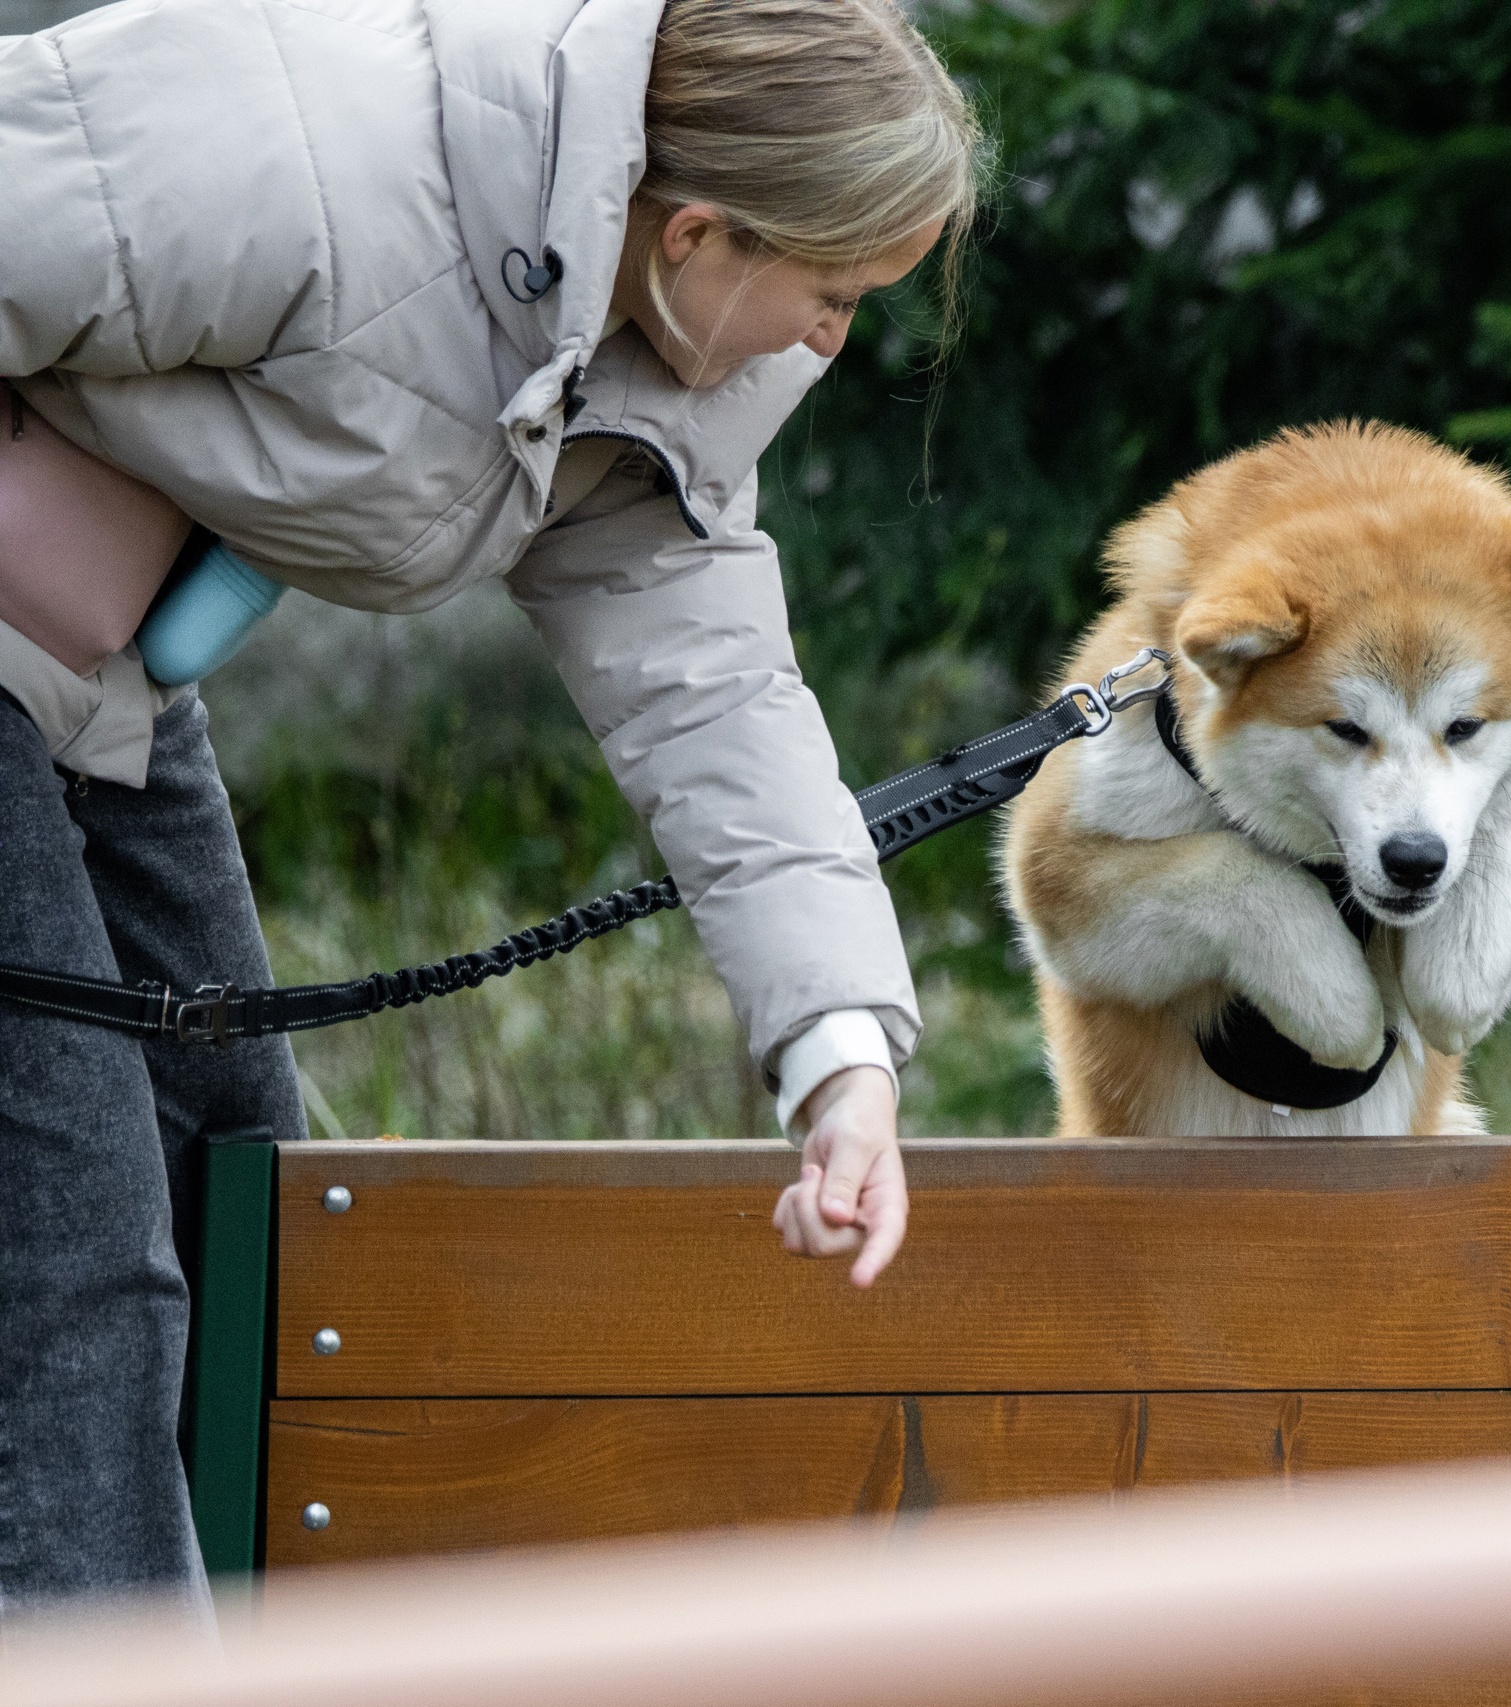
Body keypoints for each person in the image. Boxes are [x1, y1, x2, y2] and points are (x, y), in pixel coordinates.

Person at [0, 0, 982, 1613]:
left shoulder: (661, 365)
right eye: (833, 296)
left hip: (91, 665)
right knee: (69, 1237)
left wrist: (842, 1064)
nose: (833, 344)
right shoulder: (292, 155)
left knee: (235, 1161)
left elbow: (715, 698)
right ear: (699, 231)